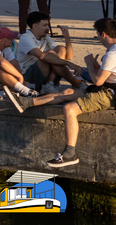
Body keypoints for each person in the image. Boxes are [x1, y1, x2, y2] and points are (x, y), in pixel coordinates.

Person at [12, 18, 116, 167]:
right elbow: (108, 75)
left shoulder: (113, 53)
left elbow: (98, 81)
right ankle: (26, 102)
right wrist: (95, 66)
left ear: (103, 34)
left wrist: (89, 65)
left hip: (110, 94)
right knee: (69, 91)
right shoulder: (112, 51)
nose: (98, 38)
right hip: (107, 88)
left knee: (69, 109)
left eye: (98, 35)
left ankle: (70, 154)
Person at [15, 12, 81, 92]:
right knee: (48, 56)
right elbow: (41, 56)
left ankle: (50, 83)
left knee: (61, 49)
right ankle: (76, 84)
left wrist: (67, 38)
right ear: (35, 26)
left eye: (48, 25)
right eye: (45, 25)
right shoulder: (25, 37)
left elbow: (68, 56)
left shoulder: (45, 37)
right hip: (28, 76)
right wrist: (69, 64)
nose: (48, 28)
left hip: (43, 74)